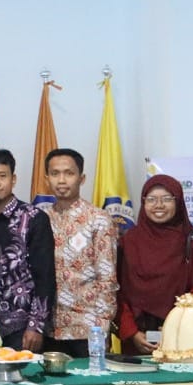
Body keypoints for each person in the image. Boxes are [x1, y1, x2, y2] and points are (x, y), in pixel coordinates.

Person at [116, 175, 193, 356]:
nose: (158, 205)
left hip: (183, 336)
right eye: (151, 199)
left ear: (178, 202)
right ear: (143, 202)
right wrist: (131, 332)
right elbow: (117, 290)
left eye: (167, 199)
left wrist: (176, 326)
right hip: (137, 336)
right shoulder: (129, 241)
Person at [0, 149, 56, 352]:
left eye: (2, 176)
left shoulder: (34, 218)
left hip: (22, 327)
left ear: (13, 179)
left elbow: (45, 277)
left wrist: (36, 326)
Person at [42, 148, 118, 358]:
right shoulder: (41, 218)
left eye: (69, 173)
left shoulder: (98, 219)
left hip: (87, 328)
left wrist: (102, 325)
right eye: (55, 174)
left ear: (81, 178)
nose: (62, 180)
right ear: (47, 178)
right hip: (49, 328)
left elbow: (107, 278)